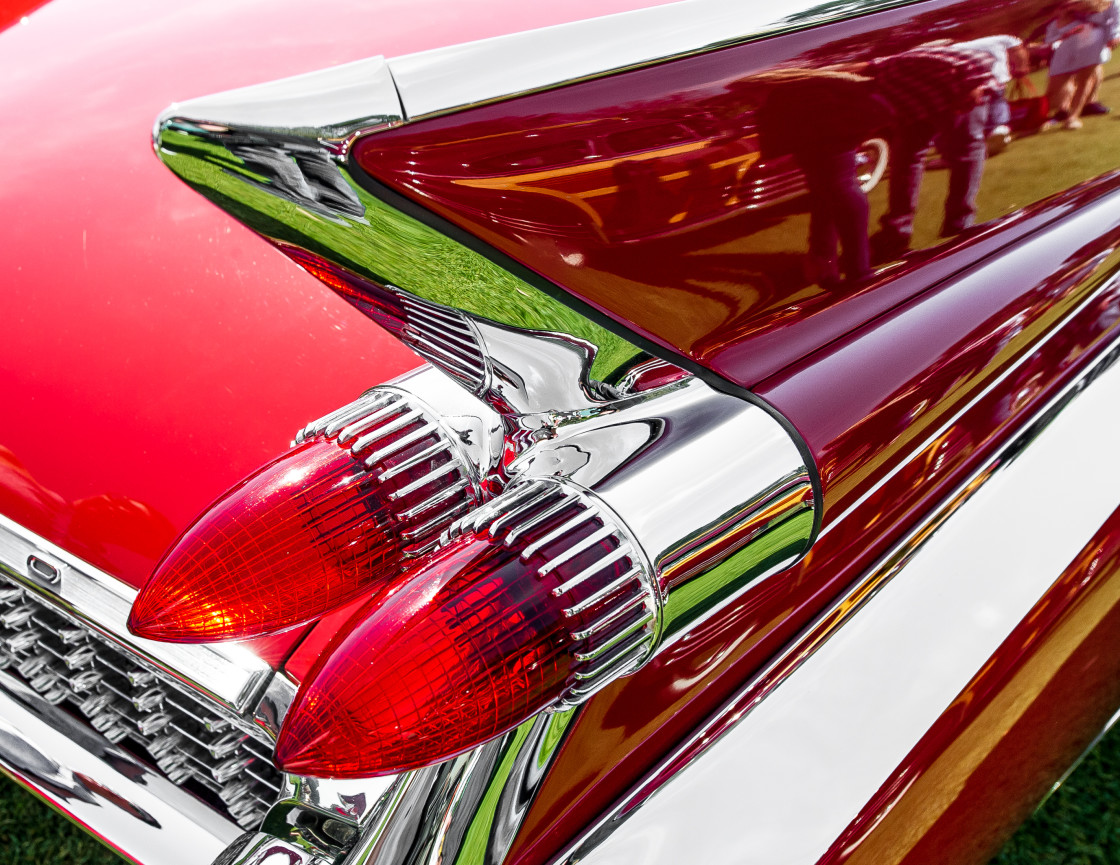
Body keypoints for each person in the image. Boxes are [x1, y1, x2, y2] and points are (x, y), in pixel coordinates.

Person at [867, 42, 995, 261]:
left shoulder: (905, 63)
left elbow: (978, 62)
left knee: (965, 149)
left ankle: (959, 223)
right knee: (906, 156)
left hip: (959, 86)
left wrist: (971, 86)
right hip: (918, 94)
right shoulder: (892, 84)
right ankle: (896, 233)